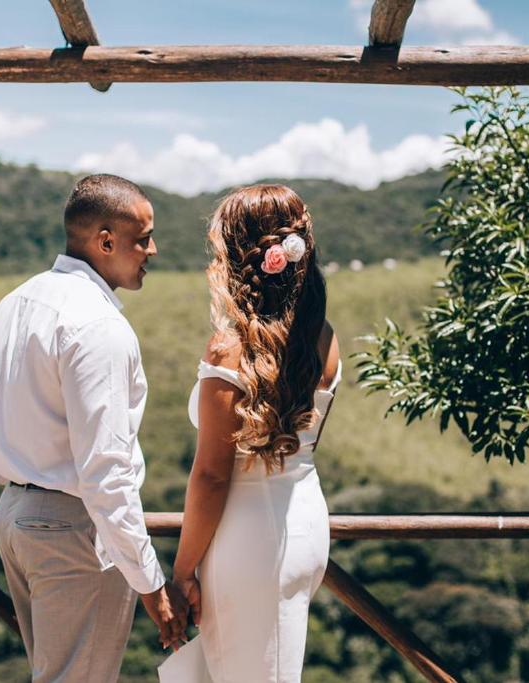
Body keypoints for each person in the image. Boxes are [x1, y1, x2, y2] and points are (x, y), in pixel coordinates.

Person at [0, 173, 189, 683]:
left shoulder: (17, 302)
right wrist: (150, 583)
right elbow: (106, 473)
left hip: (15, 517)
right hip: (72, 529)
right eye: (143, 238)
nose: (153, 250)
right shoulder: (98, 326)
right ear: (106, 240)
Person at [169, 184, 340, 682]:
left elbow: (211, 477)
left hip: (248, 543)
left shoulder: (228, 351)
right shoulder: (324, 339)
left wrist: (181, 573)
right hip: (305, 526)